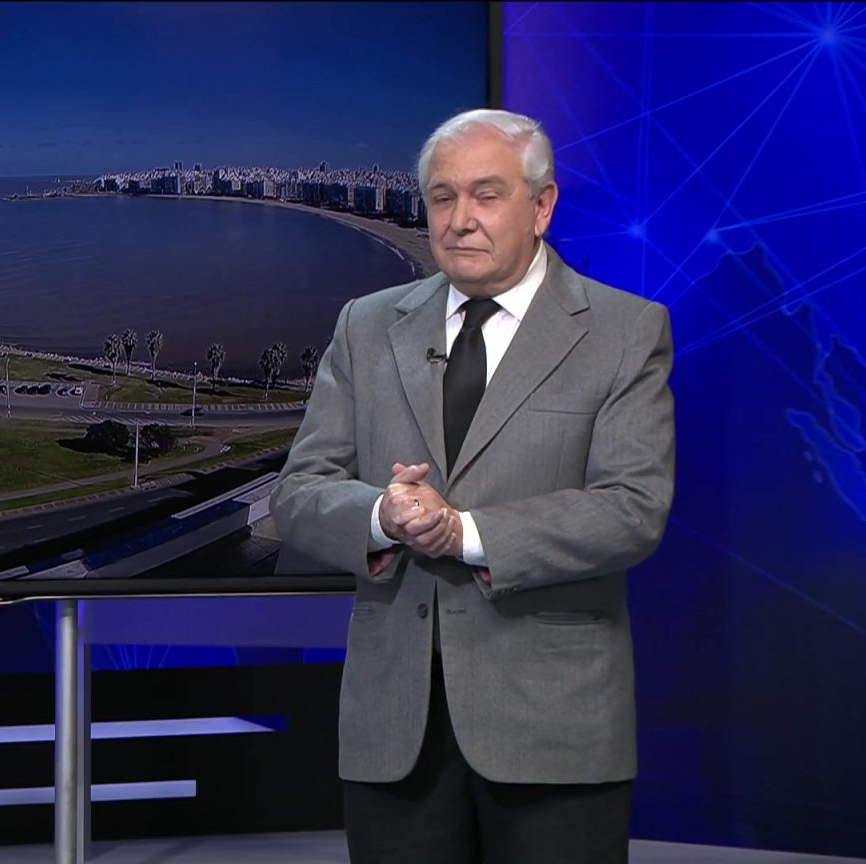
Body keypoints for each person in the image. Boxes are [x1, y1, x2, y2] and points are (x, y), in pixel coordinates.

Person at [270, 108, 675, 863]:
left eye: (487, 195)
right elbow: (299, 493)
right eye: (442, 197)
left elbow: (632, 510)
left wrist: (466, 533)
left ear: (542, 206)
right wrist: (384, 516)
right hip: (395, 729)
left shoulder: (624, 333)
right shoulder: (366, 325)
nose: (460, 220)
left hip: (552, 728)